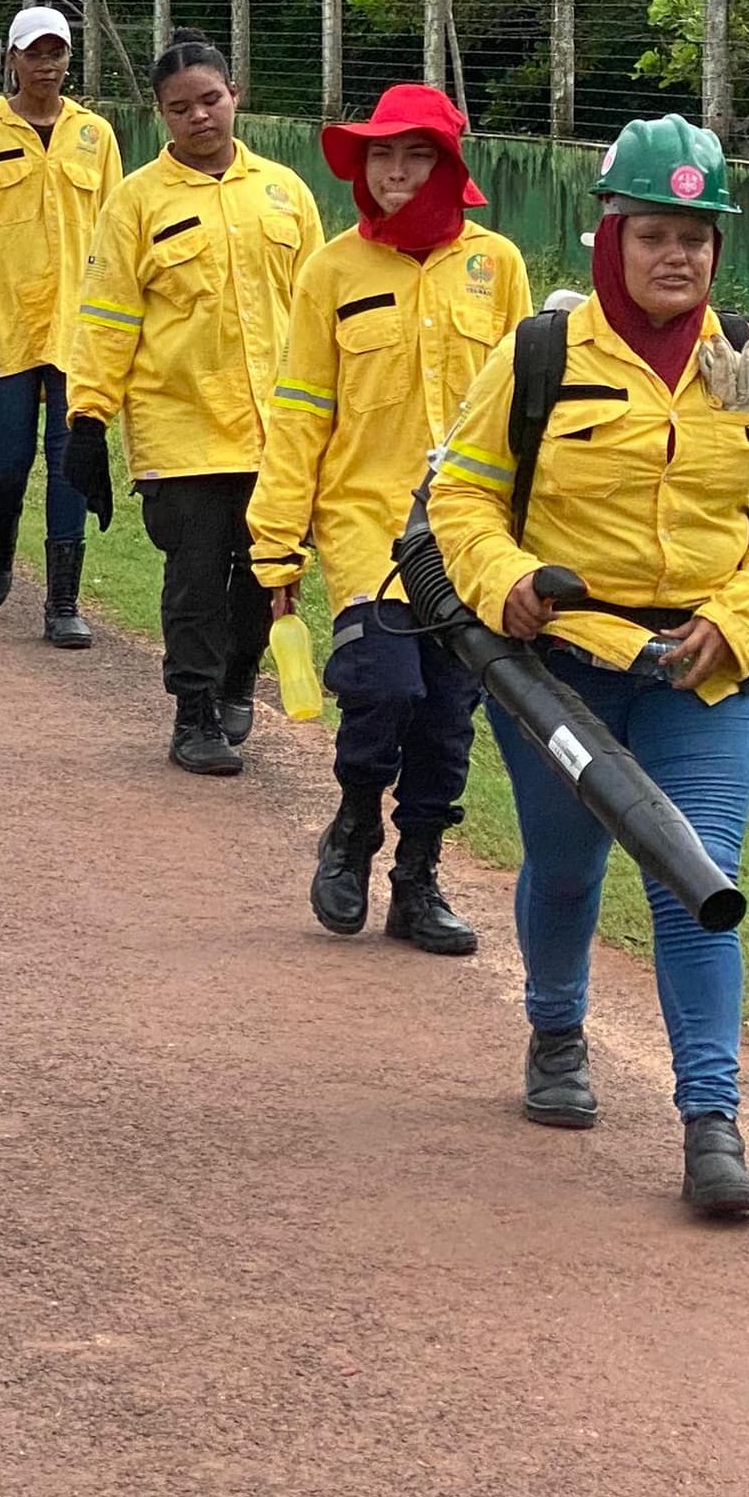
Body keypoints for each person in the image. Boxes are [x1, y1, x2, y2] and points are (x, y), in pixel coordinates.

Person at [429, 115, 749, 1218]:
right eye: (656, 232)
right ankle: (557, 1032)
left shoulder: (747, 360)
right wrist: (503, 576)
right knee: (565, 867)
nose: (680, 257)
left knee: (695, 878)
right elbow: (460, 494)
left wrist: (738, 622)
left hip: (701, 669)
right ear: (611, 236)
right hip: (560, 666)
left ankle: (712, 1121)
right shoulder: (541, 354)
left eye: (699, 237)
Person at [249, 83, 533, 953]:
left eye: (417, 155)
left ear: (449, 164)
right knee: (382, 687)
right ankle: (353, 823)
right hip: (367, 522)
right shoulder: (332, 269)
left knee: (447, 715)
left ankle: (417, 878)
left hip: (471, 534)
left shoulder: (499, 265)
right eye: (382, 155)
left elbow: (532, 415)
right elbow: (299, 407)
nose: (398, 173)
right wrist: (275, 542)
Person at [72, 35, 326, 777]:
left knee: (265, 574)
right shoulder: (136, 203)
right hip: (180, 426)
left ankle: (241, 675)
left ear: (235, 94)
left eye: (210, 100)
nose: (199, 117)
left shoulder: (285, 193)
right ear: (161, 116)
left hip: (277, 431)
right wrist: (88, 418)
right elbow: (108, 314)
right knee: (195, 578)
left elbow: (319, 314)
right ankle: (194, 714)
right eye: (180, 108)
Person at [0, 5, 125, 646]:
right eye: (34, 53)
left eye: (58, 53)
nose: (47, 65)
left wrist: (124, 325)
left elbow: (118, 235)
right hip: (7, 324)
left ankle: (63, 599)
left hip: (77, 328)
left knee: (71, 461)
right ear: (12, 59)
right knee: (9, 462)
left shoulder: (95, 135)